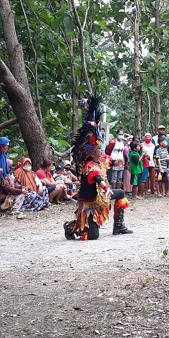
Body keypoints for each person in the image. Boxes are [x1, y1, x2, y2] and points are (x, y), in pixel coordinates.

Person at [64, 96, 132, 241]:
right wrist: (106, 188)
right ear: (91, 152)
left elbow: (109, 161)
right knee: (92, 236)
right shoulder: (88, 166)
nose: (102, 150)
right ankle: (70, 226)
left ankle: (118, 225)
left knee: (120, 194)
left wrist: (117, 162)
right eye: (99, 149)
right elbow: (97, 178)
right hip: (90, 201)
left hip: (102, 196)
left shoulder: (101, 159)